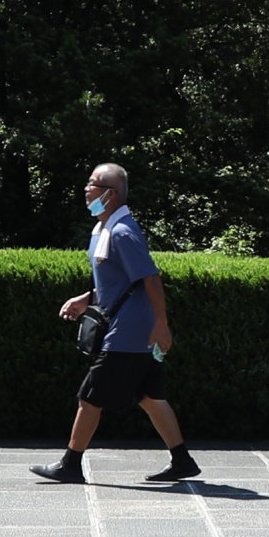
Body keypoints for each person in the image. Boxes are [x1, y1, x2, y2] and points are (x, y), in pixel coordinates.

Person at [36, 162, 197, 488]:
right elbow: (120, 282)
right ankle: (182, 460)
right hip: (133, 332)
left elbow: (151, 278)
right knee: (150, 397)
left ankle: (70, 464)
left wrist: (161, 324)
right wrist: (86, 298)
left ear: (110, 194)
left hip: (128, 334)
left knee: (89, 396)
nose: (87, 189)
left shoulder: (122, 232)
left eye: (93, 184)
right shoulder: (104, 230)